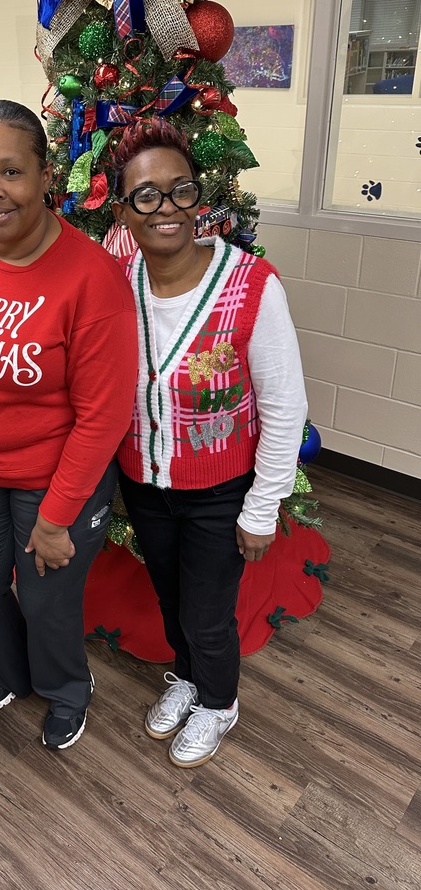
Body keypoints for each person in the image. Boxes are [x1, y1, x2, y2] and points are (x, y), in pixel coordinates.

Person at [0, 100, 138, 750]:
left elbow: (104, 417)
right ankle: (16, 672)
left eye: (10, 172)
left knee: (47, 604)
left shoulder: (92, 279)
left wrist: (55, 516)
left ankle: (68, 688)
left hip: (56, 480)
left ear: (46, 176)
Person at [110, 119, 307, 768]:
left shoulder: (252, 284)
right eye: (146, 195)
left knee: (207, 612)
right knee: (170, 598)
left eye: (180, 191)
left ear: (200, 200)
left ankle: (220, 703)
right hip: (145, 482)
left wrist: (260, 507)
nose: (165, 208)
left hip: (222, 490)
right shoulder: (116, 284)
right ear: (123, 210)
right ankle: (191, 681)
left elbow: (284, 405)